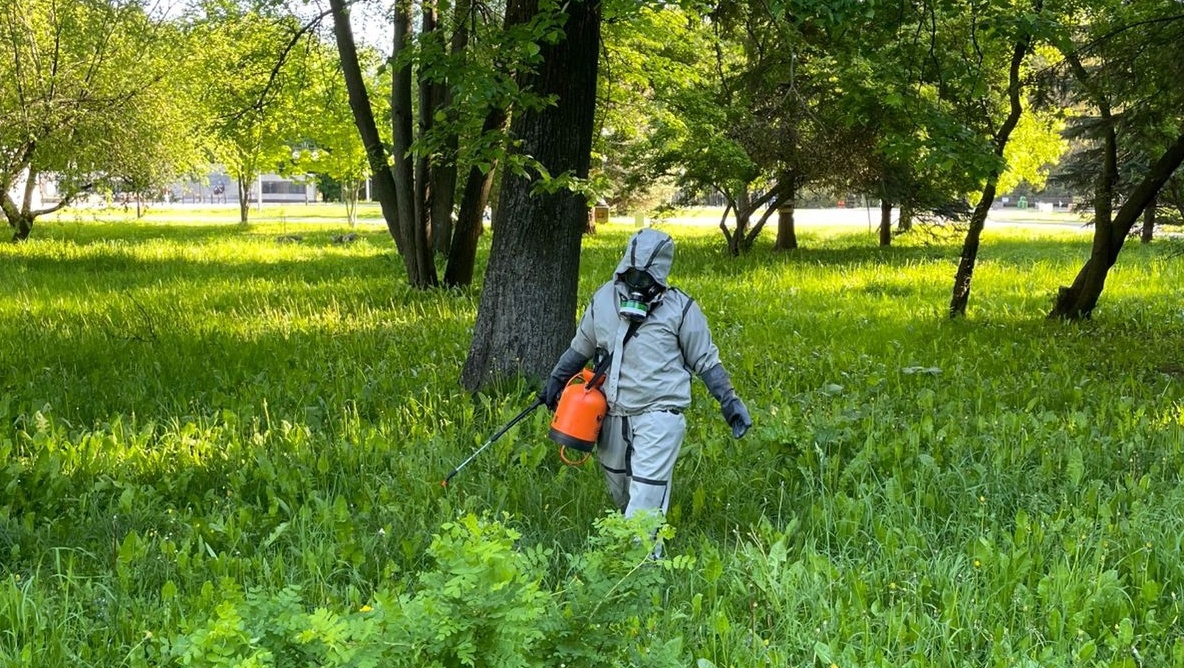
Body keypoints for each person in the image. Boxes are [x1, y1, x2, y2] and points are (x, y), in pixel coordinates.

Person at [542, 228, 752, 528]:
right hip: (612, 414)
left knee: (645, 498)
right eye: (632, 275)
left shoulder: (681, 309)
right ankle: (631, 551)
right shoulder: (603, 300)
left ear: (661, 276)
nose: (638, 284)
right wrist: (556, 380)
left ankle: (641, 564)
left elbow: (706, 360)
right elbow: (581, 347)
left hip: (659, 414)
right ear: (623, 269)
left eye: (647, 278)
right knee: (621, 492)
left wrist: (729, 401)